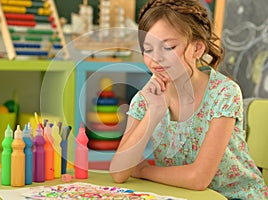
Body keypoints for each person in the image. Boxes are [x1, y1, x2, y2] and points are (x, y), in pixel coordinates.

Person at [109, 0, 268, 199]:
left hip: (234, 196)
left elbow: (198, 178)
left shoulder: (224, 93)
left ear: (197, 48)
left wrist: (142, 171)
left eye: (168, 47)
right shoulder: (146, 99)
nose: (155, 58)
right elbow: (118, 172)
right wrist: (155, 111)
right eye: (148, 50)